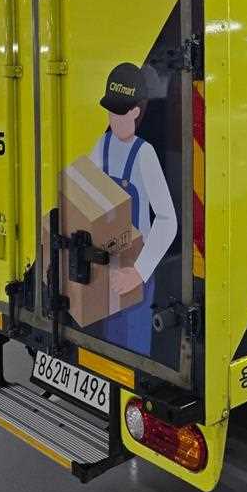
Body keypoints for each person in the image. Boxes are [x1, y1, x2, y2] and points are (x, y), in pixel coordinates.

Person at [88, 62, 177, 355]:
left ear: (136, 112)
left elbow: (167, 220)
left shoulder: (144, 155)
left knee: (132, 350)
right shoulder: (101, 146)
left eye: (122, 112)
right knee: (108, 347)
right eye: (111, 112)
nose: (115, 119)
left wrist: (138, 273)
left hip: (135, 271)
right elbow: (85, 198)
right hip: (105, 267)